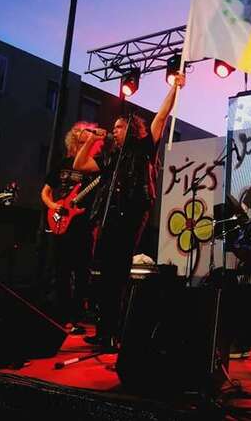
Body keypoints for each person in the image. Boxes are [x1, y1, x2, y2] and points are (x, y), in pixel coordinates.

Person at [73, 73, 186, 349]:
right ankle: (104, 330)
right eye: (113, 128)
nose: (114, 131)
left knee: (118, 272)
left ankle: (116, 331)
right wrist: (90, 140)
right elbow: (80, 165)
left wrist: (174, 88)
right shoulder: (112, 156)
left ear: (132, 128)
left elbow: (161, 116)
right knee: (104, 273)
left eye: (119, 127)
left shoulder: (145, 147)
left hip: (132, 212)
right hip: (109, 214)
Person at [40, 122, 104, 334]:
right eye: (81, 130)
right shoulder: (64, 163)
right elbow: (45, 191)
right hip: (59, 220)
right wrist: (53, 206)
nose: (84, 132)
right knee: (61, 271)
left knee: (82, 272)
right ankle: (62, 315)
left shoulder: (93, 166)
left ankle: (76, 316)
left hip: (82, 224)